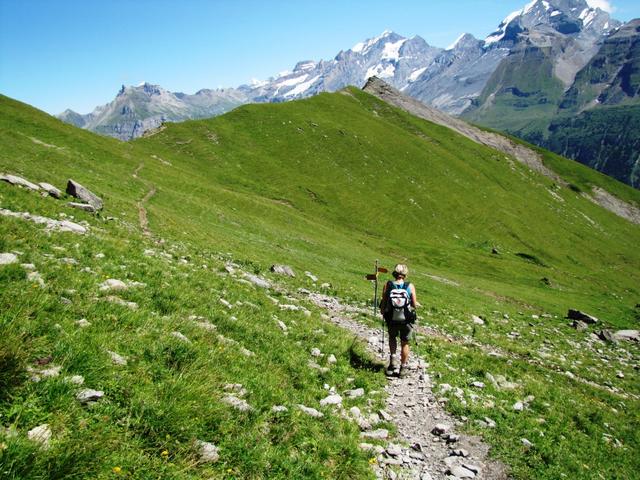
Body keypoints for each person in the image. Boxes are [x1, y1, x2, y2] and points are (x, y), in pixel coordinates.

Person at [379, 264, 417, 378]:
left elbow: (384, 302)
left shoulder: (388, 285)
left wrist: (383, 312)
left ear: (394, 273)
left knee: (392, 338)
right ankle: (403, 369)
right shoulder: (410, 286)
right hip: (406, 320)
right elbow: (414, 304)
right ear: (405, 274)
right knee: (405, 342)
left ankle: (392, 364)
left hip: (392, 318)